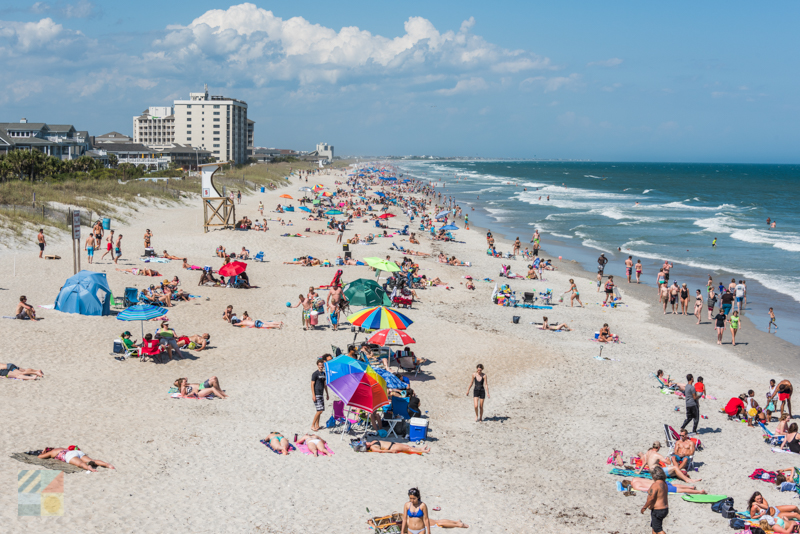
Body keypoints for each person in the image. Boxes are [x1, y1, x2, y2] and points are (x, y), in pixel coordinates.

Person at [38, 447, 115, 473]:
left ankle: (89, 468)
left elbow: (40, 457)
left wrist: (43, 452)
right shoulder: (59, 448)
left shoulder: (52, 452)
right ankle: (106, 464)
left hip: (68, 455)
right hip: (76, 452)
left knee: (80, 464)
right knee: (92, 460)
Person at [640, 466, 669, 534]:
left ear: (654, 476)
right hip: (665, 509)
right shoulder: (665, 484)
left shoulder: (655, 485)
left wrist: (644, 507)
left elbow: (651, 498)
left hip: (658, 510)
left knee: (658, 529)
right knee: (654, 527)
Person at [622, 478, 706, 495]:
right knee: (673, 485)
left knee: (678, 490)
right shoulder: (635, 478)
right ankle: (690, 487)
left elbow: (647, 489)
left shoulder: (636, 486)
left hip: (659, 486)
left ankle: (700, 492)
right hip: (659, 481)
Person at [311, 359, 329, 431]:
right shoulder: (315, 374)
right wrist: (313, 395)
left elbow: (325, 384)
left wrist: (327, 394)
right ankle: (312, 425)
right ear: (317, 365)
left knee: (319, 410)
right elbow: (312, 384)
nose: (321, 366)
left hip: (321, 393)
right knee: (319, 410)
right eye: (320, 365)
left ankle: (317, 425)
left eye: (322, 365)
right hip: (316, 393)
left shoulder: (324, 374)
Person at [365, 440, 430, 454]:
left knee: (407, 446)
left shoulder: (373, 442)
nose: (367, 443)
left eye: (366, 442)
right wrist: (391, 451)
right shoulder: (373, 448)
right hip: (391, 447)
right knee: (408, 449)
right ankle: (423, 451)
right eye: (366, 444)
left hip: (392, 443)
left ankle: (420, 448)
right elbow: (381, 451)